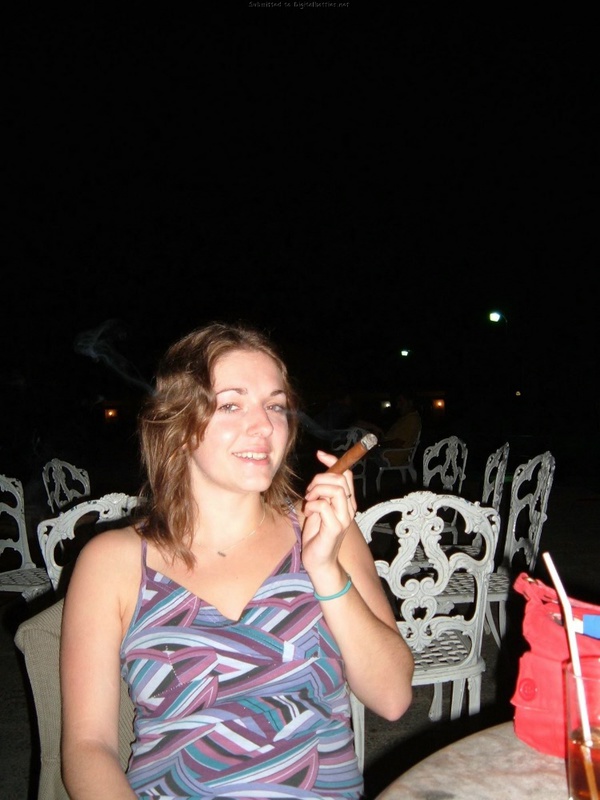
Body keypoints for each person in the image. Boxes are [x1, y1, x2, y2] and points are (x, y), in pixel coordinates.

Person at [60, 321, 414, 800]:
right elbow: (88, 748)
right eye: (231, 404)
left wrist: (326, 569)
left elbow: (392, 698)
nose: (264, 426)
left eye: (275, 405)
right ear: (177, 426)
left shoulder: (325, 530)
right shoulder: (112, 562)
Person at [378, 391, 422, 466]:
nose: (398, 406)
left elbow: (398, 442)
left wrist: (378, 445)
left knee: (363, 460)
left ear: (410, 403)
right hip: (385, 453)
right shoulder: (405, 418)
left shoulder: (412, 420)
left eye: (401, 402)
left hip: (391, 457)